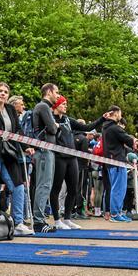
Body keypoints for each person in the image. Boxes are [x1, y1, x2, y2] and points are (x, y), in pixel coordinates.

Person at [48, 96, 101, 230]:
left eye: (66, 104)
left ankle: (67, 219)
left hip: (72, 158)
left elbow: (86, 127)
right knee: (56, 188)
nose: (66, 106)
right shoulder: (50, 119)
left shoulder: (67, 120)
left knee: (73, 189)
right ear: (56, 105)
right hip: (59, 157)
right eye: (63, 104)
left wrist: (103, 118)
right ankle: (56, 219)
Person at [0, 90, 33, 236]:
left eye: (6, 92)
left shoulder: (11, 109)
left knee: (18, 186)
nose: (3, 94)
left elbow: (17, 130)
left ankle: (18, 222)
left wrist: (26, 146)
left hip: (9, 152)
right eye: (0, 91)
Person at [29, 83, 60, 231]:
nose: (58, 96)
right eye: (56, 92)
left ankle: (39, 219)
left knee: (46, 184)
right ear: (48, 92)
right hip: (43, 149)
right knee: (44, 184)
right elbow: (53, 129)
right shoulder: (43, 107)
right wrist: (55, 125)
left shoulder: (45, 108)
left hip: (47, 150)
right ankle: (39, 221)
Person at [101, 107, 135, 223]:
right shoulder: (115, 128)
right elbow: (129, 140)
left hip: (113, 161)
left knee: (119, 188)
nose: (121, 116)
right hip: (117, 161)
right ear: (115, 114)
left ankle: (118, 212)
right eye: (120, 113)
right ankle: (115, 213)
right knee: (118, 189)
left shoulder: (106, 127)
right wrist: (136, 141)